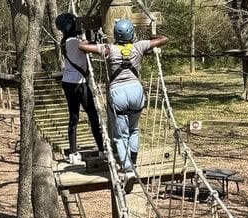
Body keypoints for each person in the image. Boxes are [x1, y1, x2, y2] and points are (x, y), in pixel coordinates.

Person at [80, 18, 168, 177]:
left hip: (118, 93)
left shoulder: (108, 49)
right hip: (136, 92)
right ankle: (133, 163)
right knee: (134, 129)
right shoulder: (139, 46)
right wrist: (152, 37)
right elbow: (164, 40)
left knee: (120, 136)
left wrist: (87, 41)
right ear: (131, 33)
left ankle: (127, 170)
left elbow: (82, 47)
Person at [55, 13, 104, 163]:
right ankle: (102, 149)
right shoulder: (74, 42)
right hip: (78, 83)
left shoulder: (67, 41)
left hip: (69, 82)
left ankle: (73, 152)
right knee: (92, 116)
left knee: (74, 116)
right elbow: (92, 46)